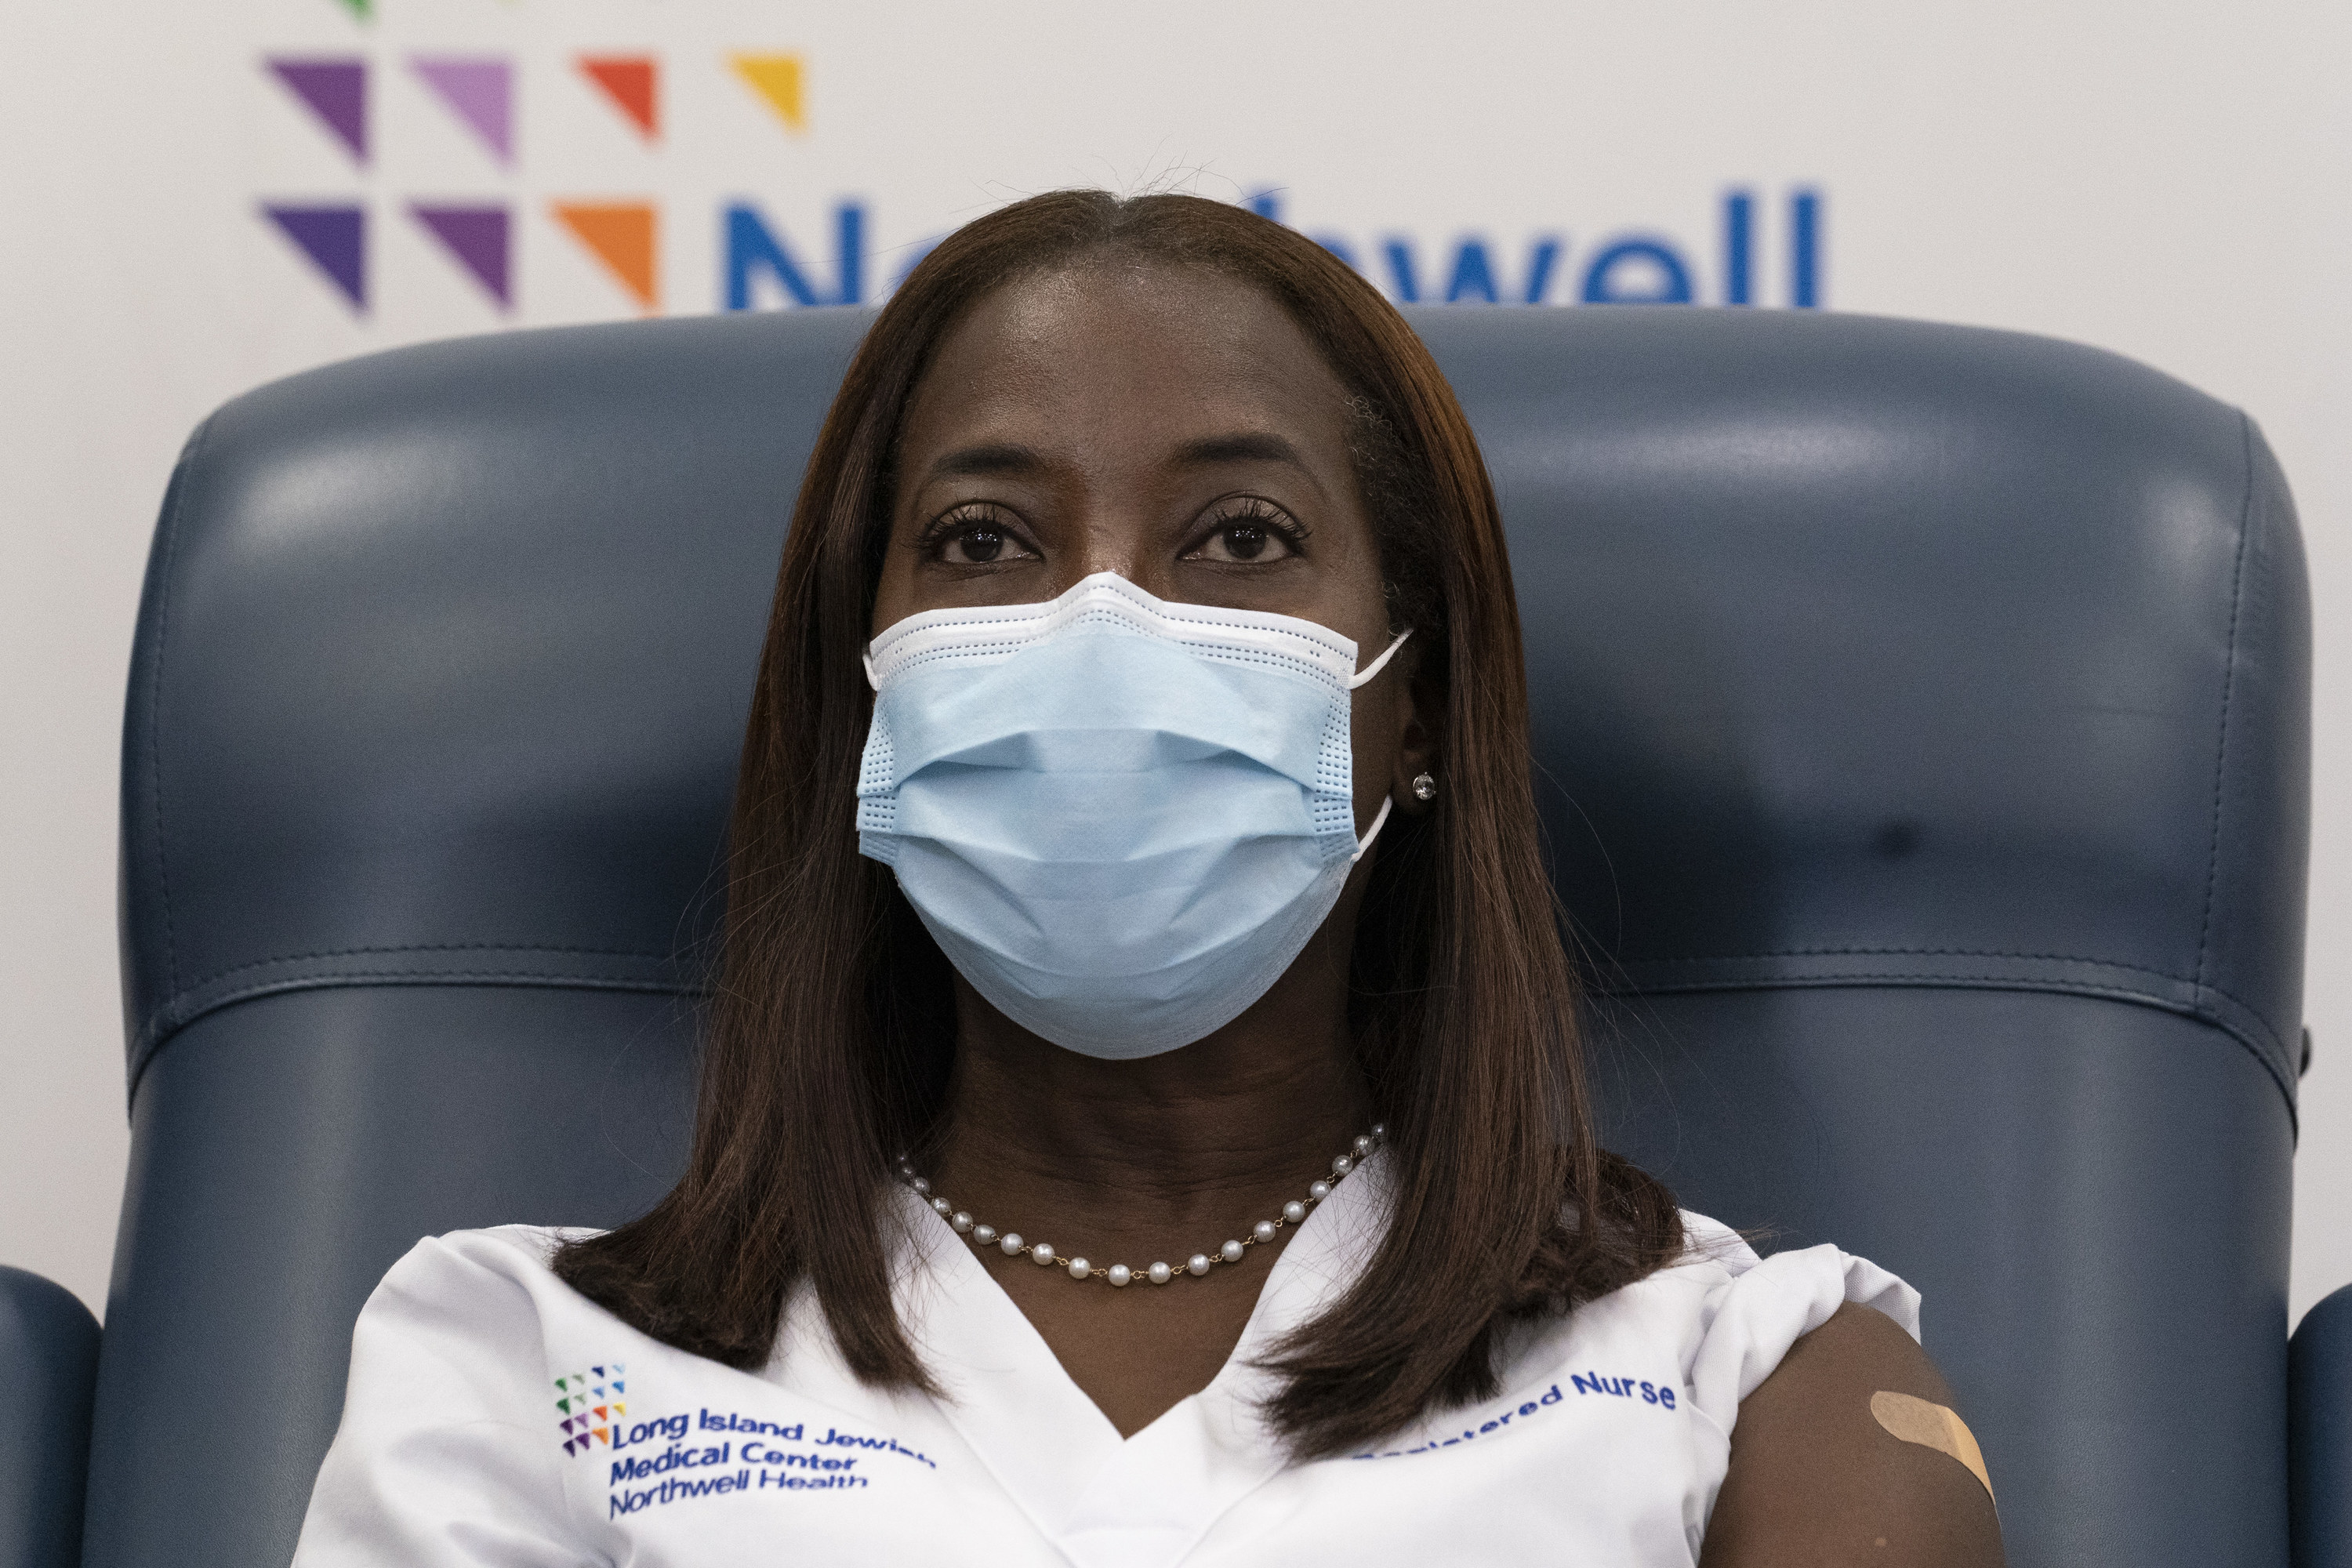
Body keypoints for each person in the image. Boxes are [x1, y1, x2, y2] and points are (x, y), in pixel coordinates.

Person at [290, 191, 2004, 1567]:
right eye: (984, 542)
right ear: (866, 684)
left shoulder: (1755, 1378)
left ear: (1412, 706)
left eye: (1239, 540)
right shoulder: (524, 1371)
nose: (1096, 621)